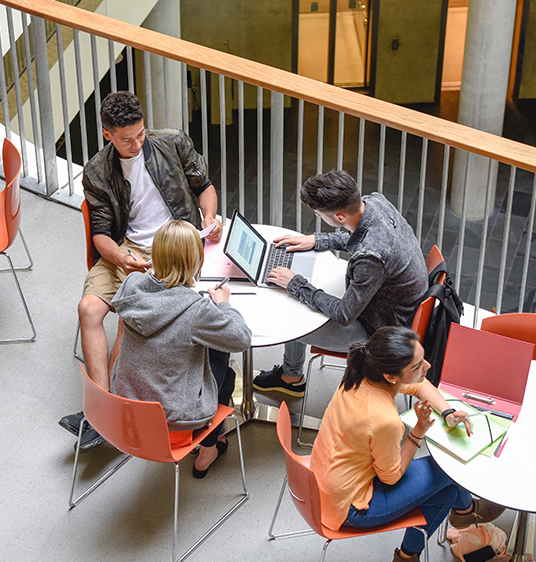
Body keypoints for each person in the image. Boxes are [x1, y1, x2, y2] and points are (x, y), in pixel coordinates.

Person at [60, 91, 221, 450]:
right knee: (88, 309)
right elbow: (100, 234)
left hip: (171, 245)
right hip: (125, 250)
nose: (136, 144)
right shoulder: (98, 171)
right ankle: (103, 408)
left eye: (140, 134)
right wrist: (120, 258)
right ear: (107, 135)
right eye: (126, 139)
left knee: (127, 320)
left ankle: (107, 414)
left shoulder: (173, 142)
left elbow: (204, 187)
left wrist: (208, 217)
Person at [310, 326, 504, 562]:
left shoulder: (360, 374)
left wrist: (447, 411)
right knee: (449, 468)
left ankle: (449, 524)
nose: (428, 365)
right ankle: (466, 512)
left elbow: (419, 384)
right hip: (351, 508)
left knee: (447, 492)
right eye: (418, 365)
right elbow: (391, 477)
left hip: (322, 482)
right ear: (391, 375)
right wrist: (417, 433)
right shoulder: (384, 420)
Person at [252, 170, 428, 397]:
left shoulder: (371, 257)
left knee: (292, 322)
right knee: (305, 299)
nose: (318, 217)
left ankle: (291, 377)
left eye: (319, 214)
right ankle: (291, 375)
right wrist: (317, 240)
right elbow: (360, 236)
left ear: (340, 217)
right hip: (400, 311)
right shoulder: (375, 202)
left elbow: (344, 313)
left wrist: (295, 283)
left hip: (381, 331)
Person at [111, 220, 251, 476]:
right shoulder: (197, 310)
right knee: (226, 369)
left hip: (125, 413)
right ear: (196, 262)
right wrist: (224, 304)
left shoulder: (131, 285)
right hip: (171, 428)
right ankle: (209, 448)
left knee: (207, 346)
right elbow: (242, 338)